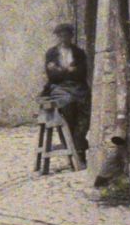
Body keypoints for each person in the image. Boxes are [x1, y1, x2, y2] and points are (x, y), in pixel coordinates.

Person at [39, 21, 91, 161]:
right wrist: (69, 71)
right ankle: (72, 146)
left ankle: (79, 143)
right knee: (66, 106)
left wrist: (61, 70)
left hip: (78, 87)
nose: (64, 39)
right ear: (57, 37)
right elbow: (52, 76)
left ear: (71, 37)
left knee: (85, 109)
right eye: (61, 36)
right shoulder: (51, 53)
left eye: (67, 36)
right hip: (59, 87)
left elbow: (82, 73)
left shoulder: (79, 53)